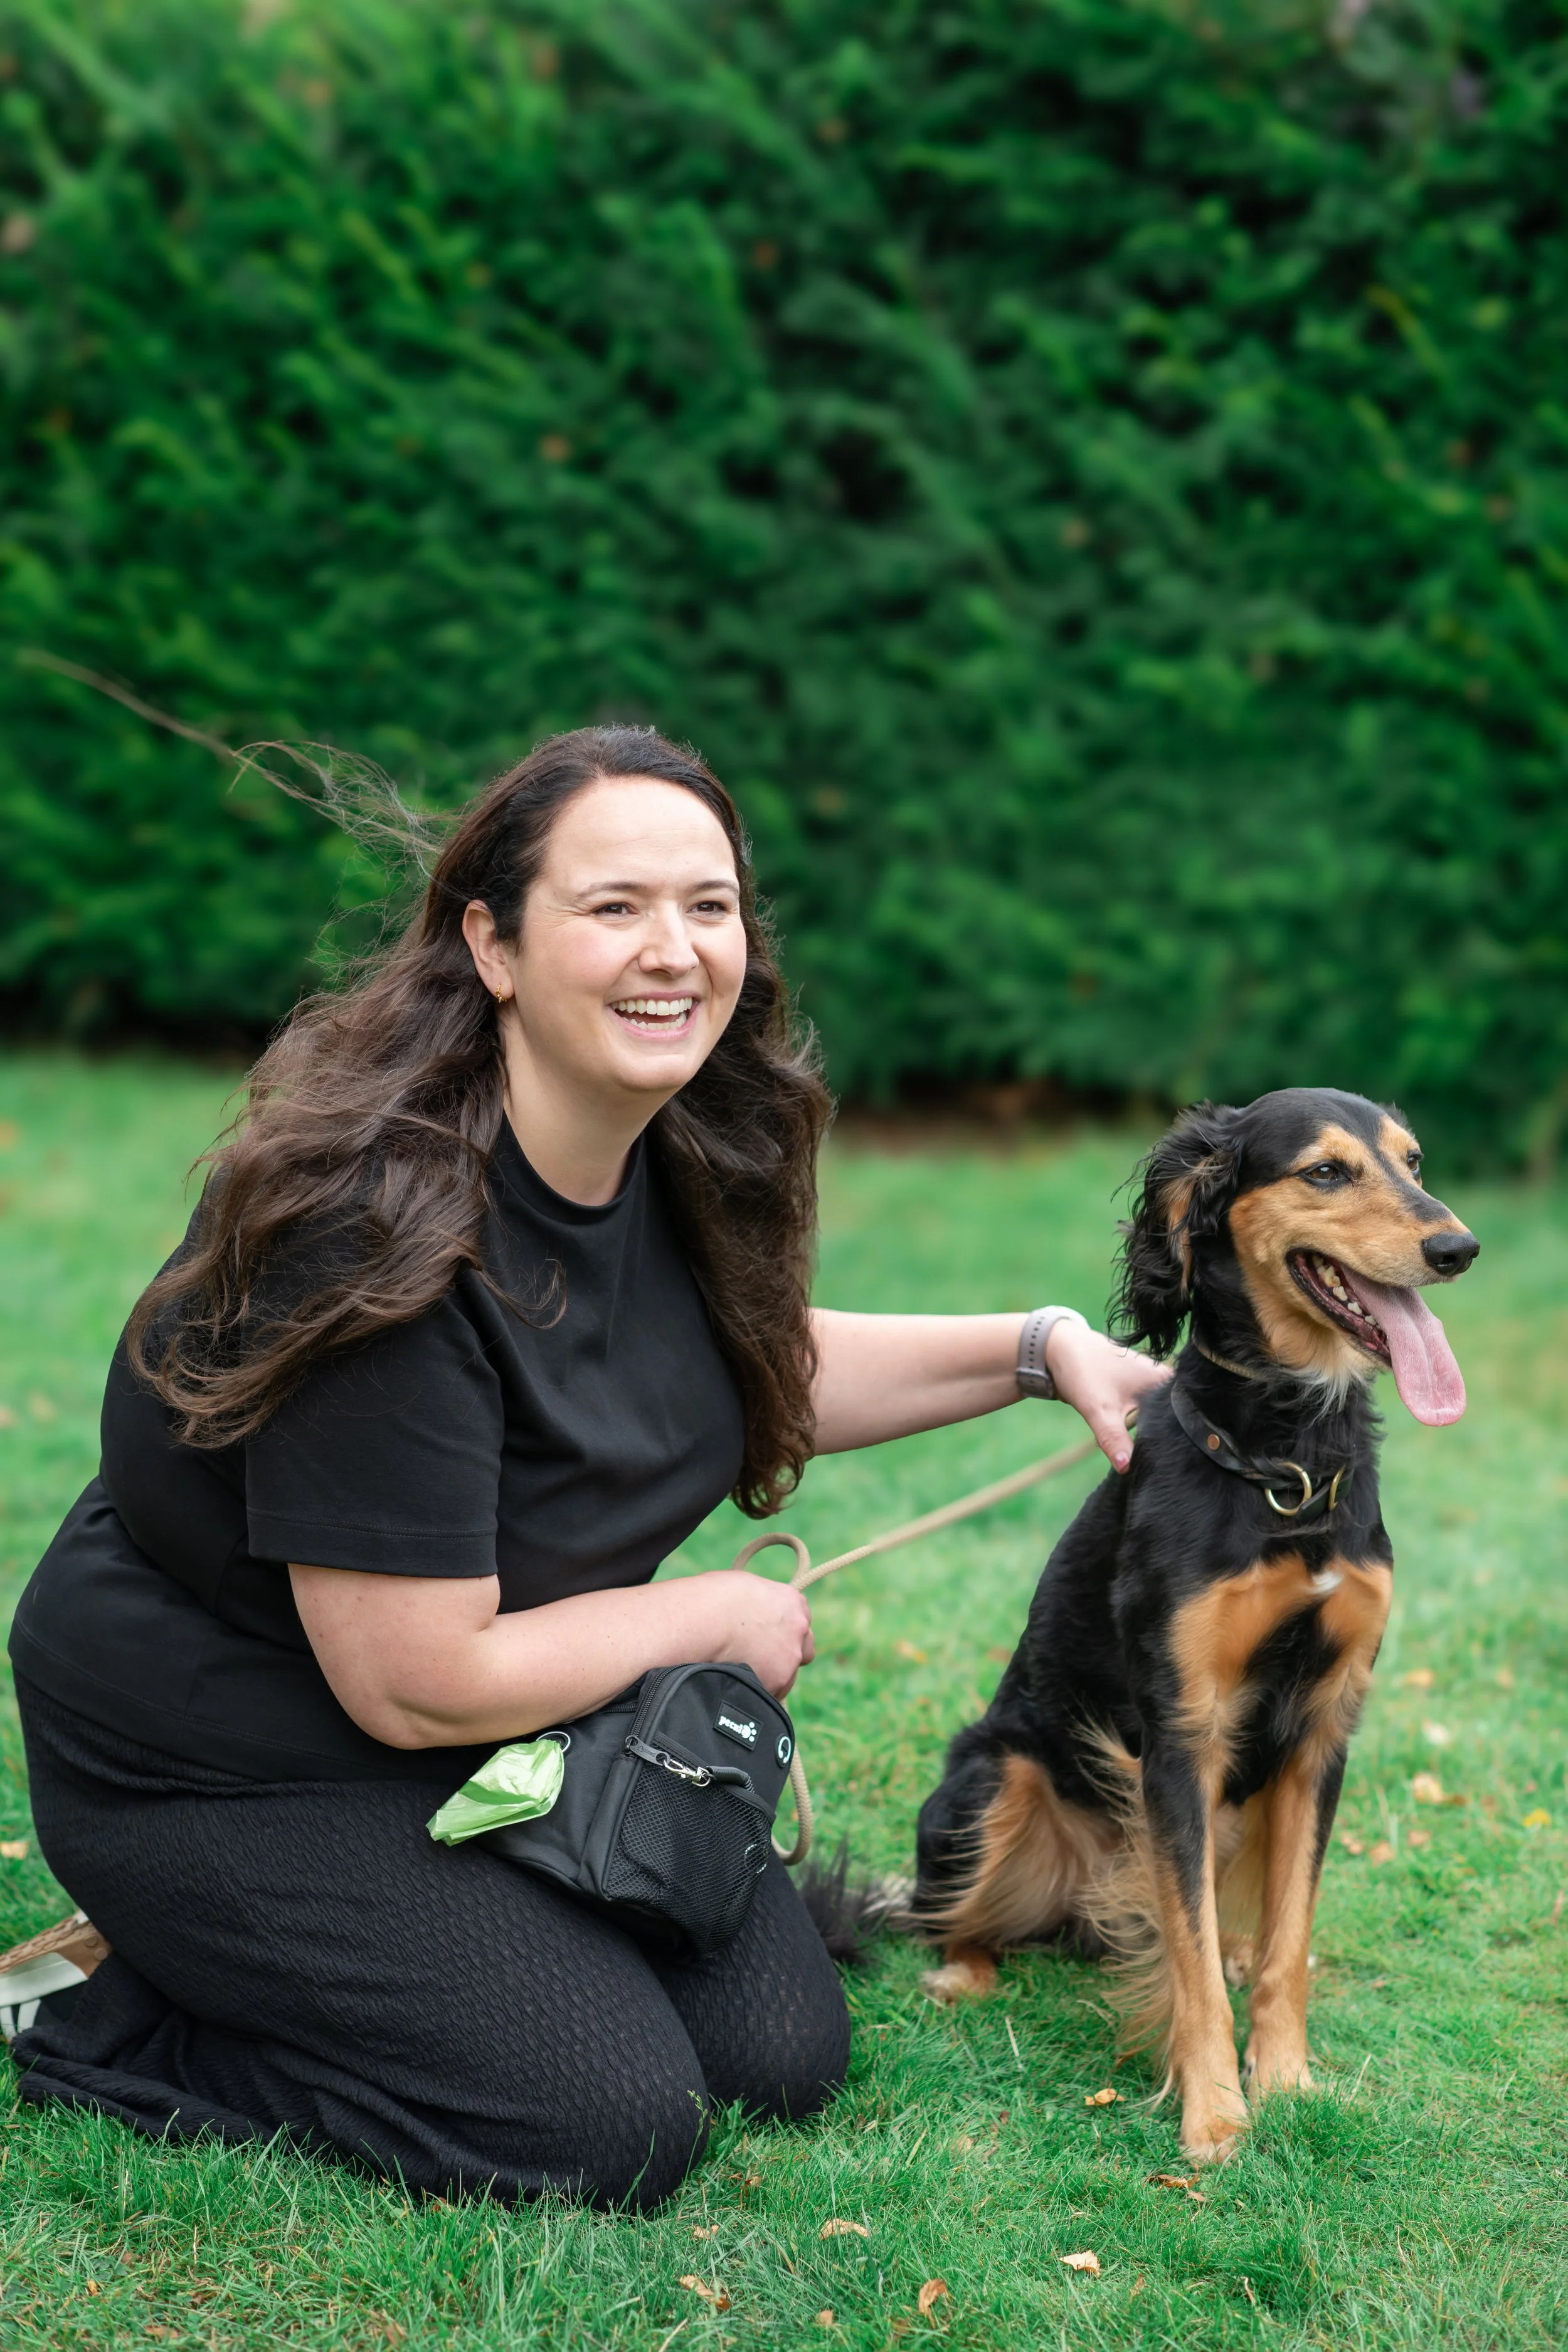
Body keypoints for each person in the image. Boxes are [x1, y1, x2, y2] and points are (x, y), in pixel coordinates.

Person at [3, 727, 1163, 2210]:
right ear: (490, 943)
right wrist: (710, 1622)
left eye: (708, 904)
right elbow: (411, 1679)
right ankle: (113, 2007)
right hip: (237, 1750)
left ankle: (404, 1953)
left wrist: (1038, 1347)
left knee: (778, 2049)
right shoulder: (381, 1238)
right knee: (600, 2123)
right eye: (611, 907)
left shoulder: (675, 1145)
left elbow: (738, 1359)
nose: (671, 951)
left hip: (500, 1700)